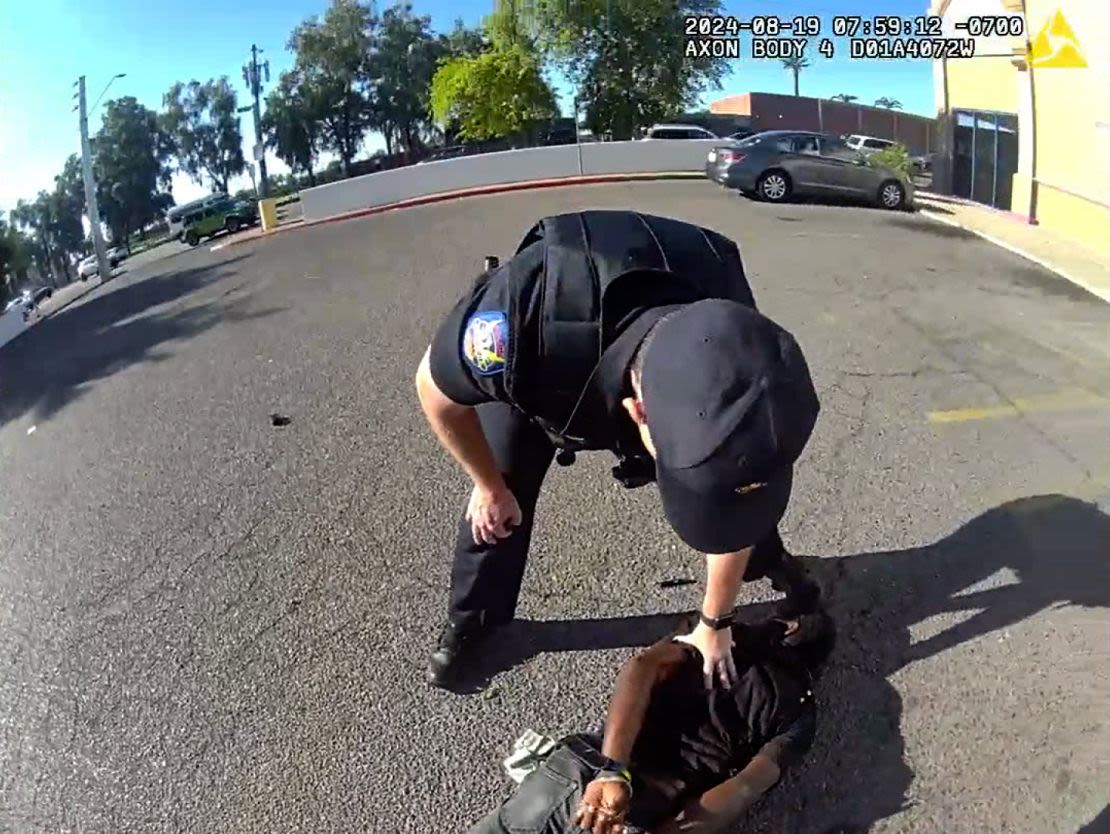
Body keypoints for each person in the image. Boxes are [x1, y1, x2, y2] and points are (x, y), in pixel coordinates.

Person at [415, 210, 822, 690]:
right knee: (502, 494)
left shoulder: (723, 291)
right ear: (639, 415)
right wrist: (485, 484)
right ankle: (475, 619)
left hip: (656, 360)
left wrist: (715, 623)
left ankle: (769, 562)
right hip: (545, 372)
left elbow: (735, 473)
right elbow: (432, 390)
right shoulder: (513, 322)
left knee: (730, 471)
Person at [468, 610, 835, 834]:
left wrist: (613, 770)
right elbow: (742, 789)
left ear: (787, 628)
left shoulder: (721, 635)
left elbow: (642, 668)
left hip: (583, 770)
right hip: (639, 813)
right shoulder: (800, 715)